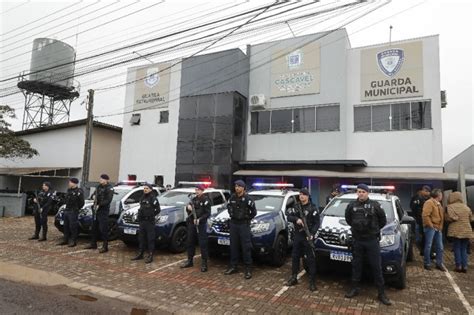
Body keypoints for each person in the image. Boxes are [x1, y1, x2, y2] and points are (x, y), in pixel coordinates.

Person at [344, 183, 391, 306]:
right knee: (356, 265)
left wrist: (373, 230)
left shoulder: (375, 205)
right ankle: (354, 288)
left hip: (371, 241)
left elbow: (383, 221)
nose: (361, 194)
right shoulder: (351, 205)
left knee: (376, 266)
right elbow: (348, 219)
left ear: (367, 193)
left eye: (363, 192)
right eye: (359, 191)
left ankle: (381, 293)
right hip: (358, 240)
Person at [286, 188, 320, 291]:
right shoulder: (296, 207)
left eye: (304, 195)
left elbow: (317, 223)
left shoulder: (313, 208)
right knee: (295, 256)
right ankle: (294, 277)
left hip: (308, 236)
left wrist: (312, 234)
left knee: (310, 259)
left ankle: (312, 281)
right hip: (298, 235)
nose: (301, 196)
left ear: (308, 196)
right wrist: (296, 219)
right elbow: (288, 216)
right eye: (300, 194)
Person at [224, 180, 257, 279]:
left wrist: (247, 219)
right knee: (233, 246)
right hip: (234, 224)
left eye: (239, 186)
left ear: (243, 188)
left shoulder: (248, 199)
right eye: (236, 186)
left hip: (243, 225)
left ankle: (248, 268)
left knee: (246, 247)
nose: (236, 188)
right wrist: (231, 215)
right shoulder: (232, 198)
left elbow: (253, 212)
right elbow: (229, 207)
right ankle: (233, 266)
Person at [181, 184, 211, 272]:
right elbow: (188, 209)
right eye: (196, 189)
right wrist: (188, 208)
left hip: (201, 225)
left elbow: (207, 213)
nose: (197, 191)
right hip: (192, 224)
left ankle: (204, 263)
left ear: (202, 191)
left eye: (198, 189)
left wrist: (200, 219)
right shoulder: (193, 200)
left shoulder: (206, 200)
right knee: (190, 242)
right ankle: (190, 260)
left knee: (203, 244)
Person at [131, 184, 160, 264]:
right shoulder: (142, 197)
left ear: (150, 189)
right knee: (141, 238)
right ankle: (141, 254)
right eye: (144, 188)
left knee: (150, 239)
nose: (145, 189)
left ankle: (150, 255)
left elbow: (158, 209)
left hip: (149, 221)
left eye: (147, 188)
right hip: (142, 221)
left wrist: (151, 215)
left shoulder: (153, 198)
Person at [85, 174, 114, 253]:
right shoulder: (98, 187)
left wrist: (99, 205)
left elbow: (108, 200)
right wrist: (93, 196)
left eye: (102, 179)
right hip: (96, 210)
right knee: (94, 227)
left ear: (106, 180)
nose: (100, 180)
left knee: (103, 229)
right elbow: (93, 195)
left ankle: (105, 246)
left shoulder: (110, 188)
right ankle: (93, 243)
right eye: (100, 179)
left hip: (103, 211)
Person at [446, 191, 473, 273]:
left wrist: (450, 218)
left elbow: (452, 217)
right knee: (464, 249)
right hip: (467, 230)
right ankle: (464, 266)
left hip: (456, 230)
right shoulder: (466, 207)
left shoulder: (450, 207)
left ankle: (458, 266)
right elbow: (471, 218)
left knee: (457, 248)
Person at [422, 188, 445, 271]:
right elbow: (425, 215)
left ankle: (439, 263)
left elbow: (441, 216)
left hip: (438, 227)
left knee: (440, 247)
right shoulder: (429, 203)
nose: (442, 196)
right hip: (430, 227)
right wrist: (431, 226)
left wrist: (441, 226)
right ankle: (427, 263)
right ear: (438, 195)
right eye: (441, 194)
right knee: (428, 245)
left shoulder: (438, 203)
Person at [58, 178, 85, 247]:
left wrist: (76, 209)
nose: (69, 183)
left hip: (73, 211)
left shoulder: (79, 191)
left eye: (70, 182)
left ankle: (73, 241)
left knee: (73, 227)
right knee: (65, 226)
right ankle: (65, 239)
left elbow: (82, 202)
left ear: (74, 183)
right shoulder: (69, 190)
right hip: (67, 210)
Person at [410, 185, 431, 255]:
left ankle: (423, 250)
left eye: (428, 192)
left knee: (424, 236)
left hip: (424, 219)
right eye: (426, 191)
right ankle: (421, 249)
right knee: (420, 236)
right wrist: (417, 216)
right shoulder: (417, 198)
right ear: (423, 190)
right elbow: (413, 207)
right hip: (419, 219)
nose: (428, 193)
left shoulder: (428, 198)